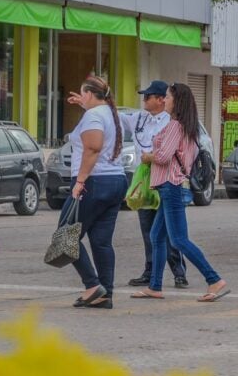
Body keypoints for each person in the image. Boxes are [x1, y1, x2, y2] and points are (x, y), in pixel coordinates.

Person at [132, 82, 229, 302]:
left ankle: (214, 279)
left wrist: (148, 157)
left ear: (177, 101)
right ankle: (155, 286)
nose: (164, 100)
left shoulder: (177, 126)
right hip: (169, 185)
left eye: (167, 97)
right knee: (157, 236)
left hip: (171, 185)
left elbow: (164, 156)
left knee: (178, 239)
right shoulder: (185, 125)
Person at [61, 74, 129, 309]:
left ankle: (92, 285)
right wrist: (85, 104)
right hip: (116, 180)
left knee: (66, 234)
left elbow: (93, 147)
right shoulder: (110, 112)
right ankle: (105, 294)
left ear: (90, 94)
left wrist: (80, 181)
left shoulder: (93, 115)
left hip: (93, 181)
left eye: (83, 94)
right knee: (101, 241)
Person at [119, 79, 189, 289]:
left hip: (164, 178)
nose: (144, 100)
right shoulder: (141, 118)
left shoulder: (171, 122)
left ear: (161, 100)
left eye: (148, 97)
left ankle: (179, 271)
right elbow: (119, 118)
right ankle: (150, 271)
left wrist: (152, 157)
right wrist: (103, 100)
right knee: (147, 228)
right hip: (144, 178)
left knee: (168, 231)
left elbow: (167, 154)